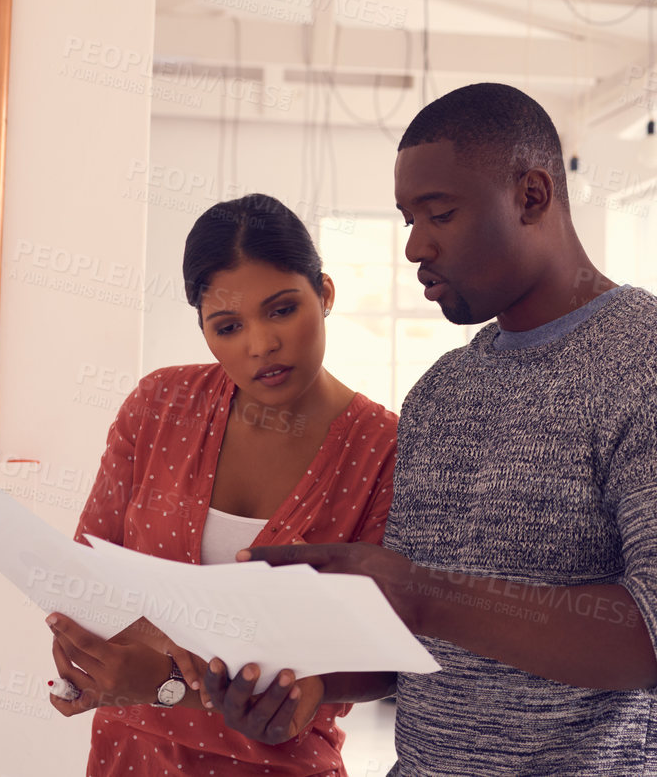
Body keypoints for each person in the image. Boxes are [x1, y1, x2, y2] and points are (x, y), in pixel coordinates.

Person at [194, 83, 657, 777]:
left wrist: (430, 594)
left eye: (439, 213)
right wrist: (310, 687)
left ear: (530, 194)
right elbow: (421, 648)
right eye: (407, 217)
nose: (413, 246)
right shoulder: (439, 392)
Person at [49, 193, 398, 777]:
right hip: (127, 756)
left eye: (282, 310)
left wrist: (161, 681)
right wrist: (87, 656)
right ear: (205, 331)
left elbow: (380, 653)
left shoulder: (384, 450)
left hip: (280, 765)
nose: (260, 344)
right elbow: (85, 575)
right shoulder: (159, 405)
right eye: (229, 326)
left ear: (326, 294)